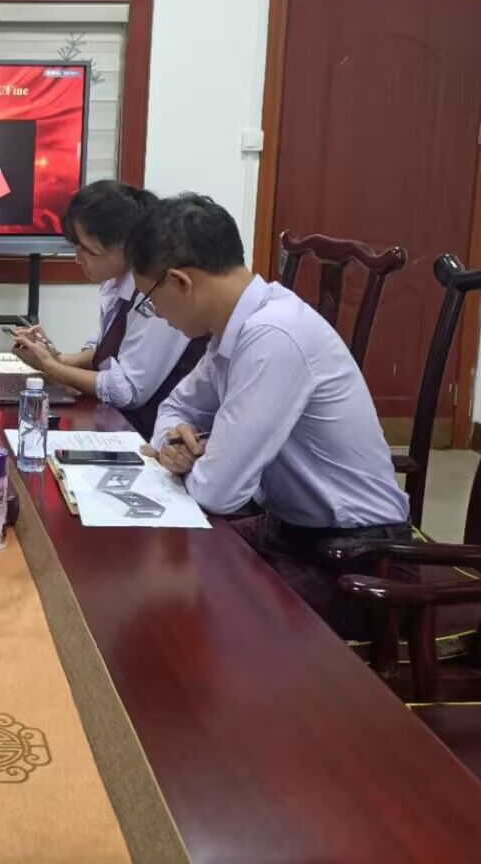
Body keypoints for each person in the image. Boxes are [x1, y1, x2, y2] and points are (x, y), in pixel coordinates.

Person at [129, 193, 410, 639]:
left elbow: (219, 493)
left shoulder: (273, 335)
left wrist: (195, 462)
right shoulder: (233, 329)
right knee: (156, 563)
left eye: (150, 300)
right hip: (292, 532)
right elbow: (176, 408)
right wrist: (171, 443)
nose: (157, 315)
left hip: (357, 558)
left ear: (181, 282)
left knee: (193, 606)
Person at [10, 180, 202, 437]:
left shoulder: (158, 293)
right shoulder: (116, 283)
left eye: (85, 250)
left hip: (150, 435)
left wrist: (52, 367)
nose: (77, 259)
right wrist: (52, 356)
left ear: (123, 245)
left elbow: (127, 391)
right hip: (119, 425)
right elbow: (103, 353)